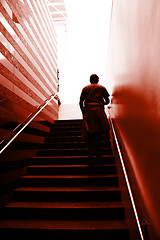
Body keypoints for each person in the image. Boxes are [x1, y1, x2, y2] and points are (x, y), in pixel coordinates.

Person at [79, 74, 110, 160]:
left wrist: (83, 111)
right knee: (99, 132)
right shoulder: (102, 88)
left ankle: (91, 152)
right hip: (99, 110)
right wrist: (101, 104)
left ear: (90, 80)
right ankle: (99, 151)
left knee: (90, 132)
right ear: (98, 80)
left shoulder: (85, 88)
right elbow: (107, 100)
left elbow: (81, 101)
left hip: (88, 111)